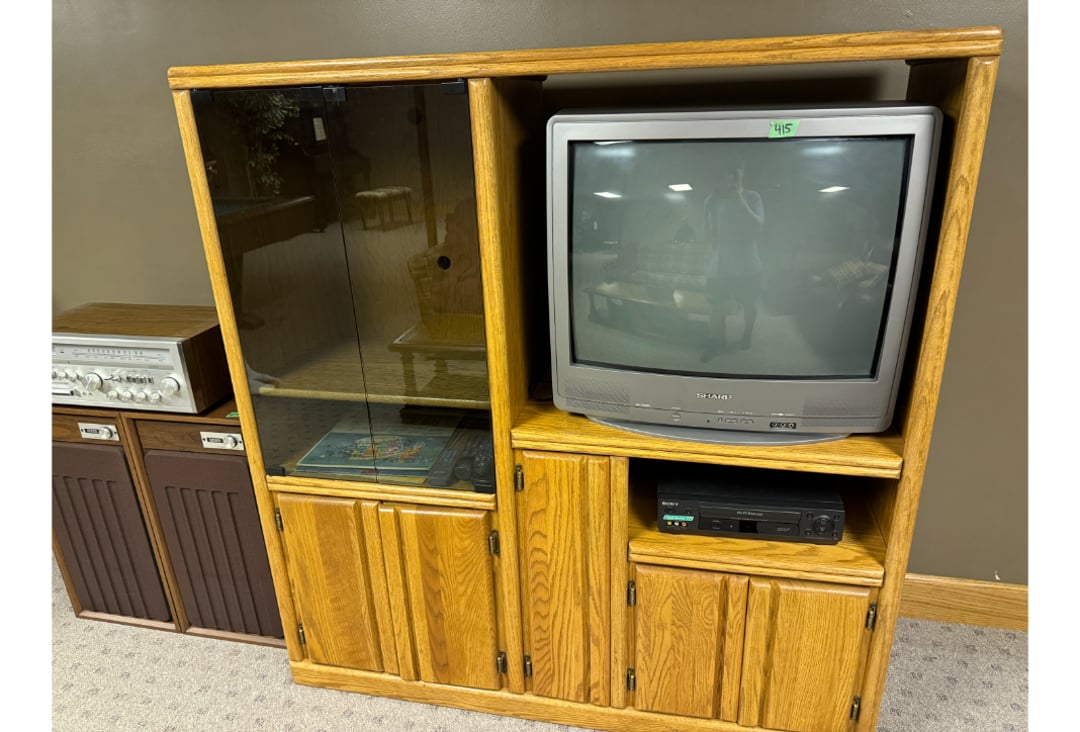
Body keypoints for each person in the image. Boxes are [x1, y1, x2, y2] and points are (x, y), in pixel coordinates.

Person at [701, 157, 765, 360]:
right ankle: (716, 342)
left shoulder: (752, 197)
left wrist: (739, 199)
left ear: (737, 174)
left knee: (748, 304)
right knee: (716, 308)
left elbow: (758, 226)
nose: (728, 178)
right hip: (720, 266)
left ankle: (747, 335)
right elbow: (709, 237)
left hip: (747, 265)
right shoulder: (712, 200)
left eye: (734, 173)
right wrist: (708, 210)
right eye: (723, 175)